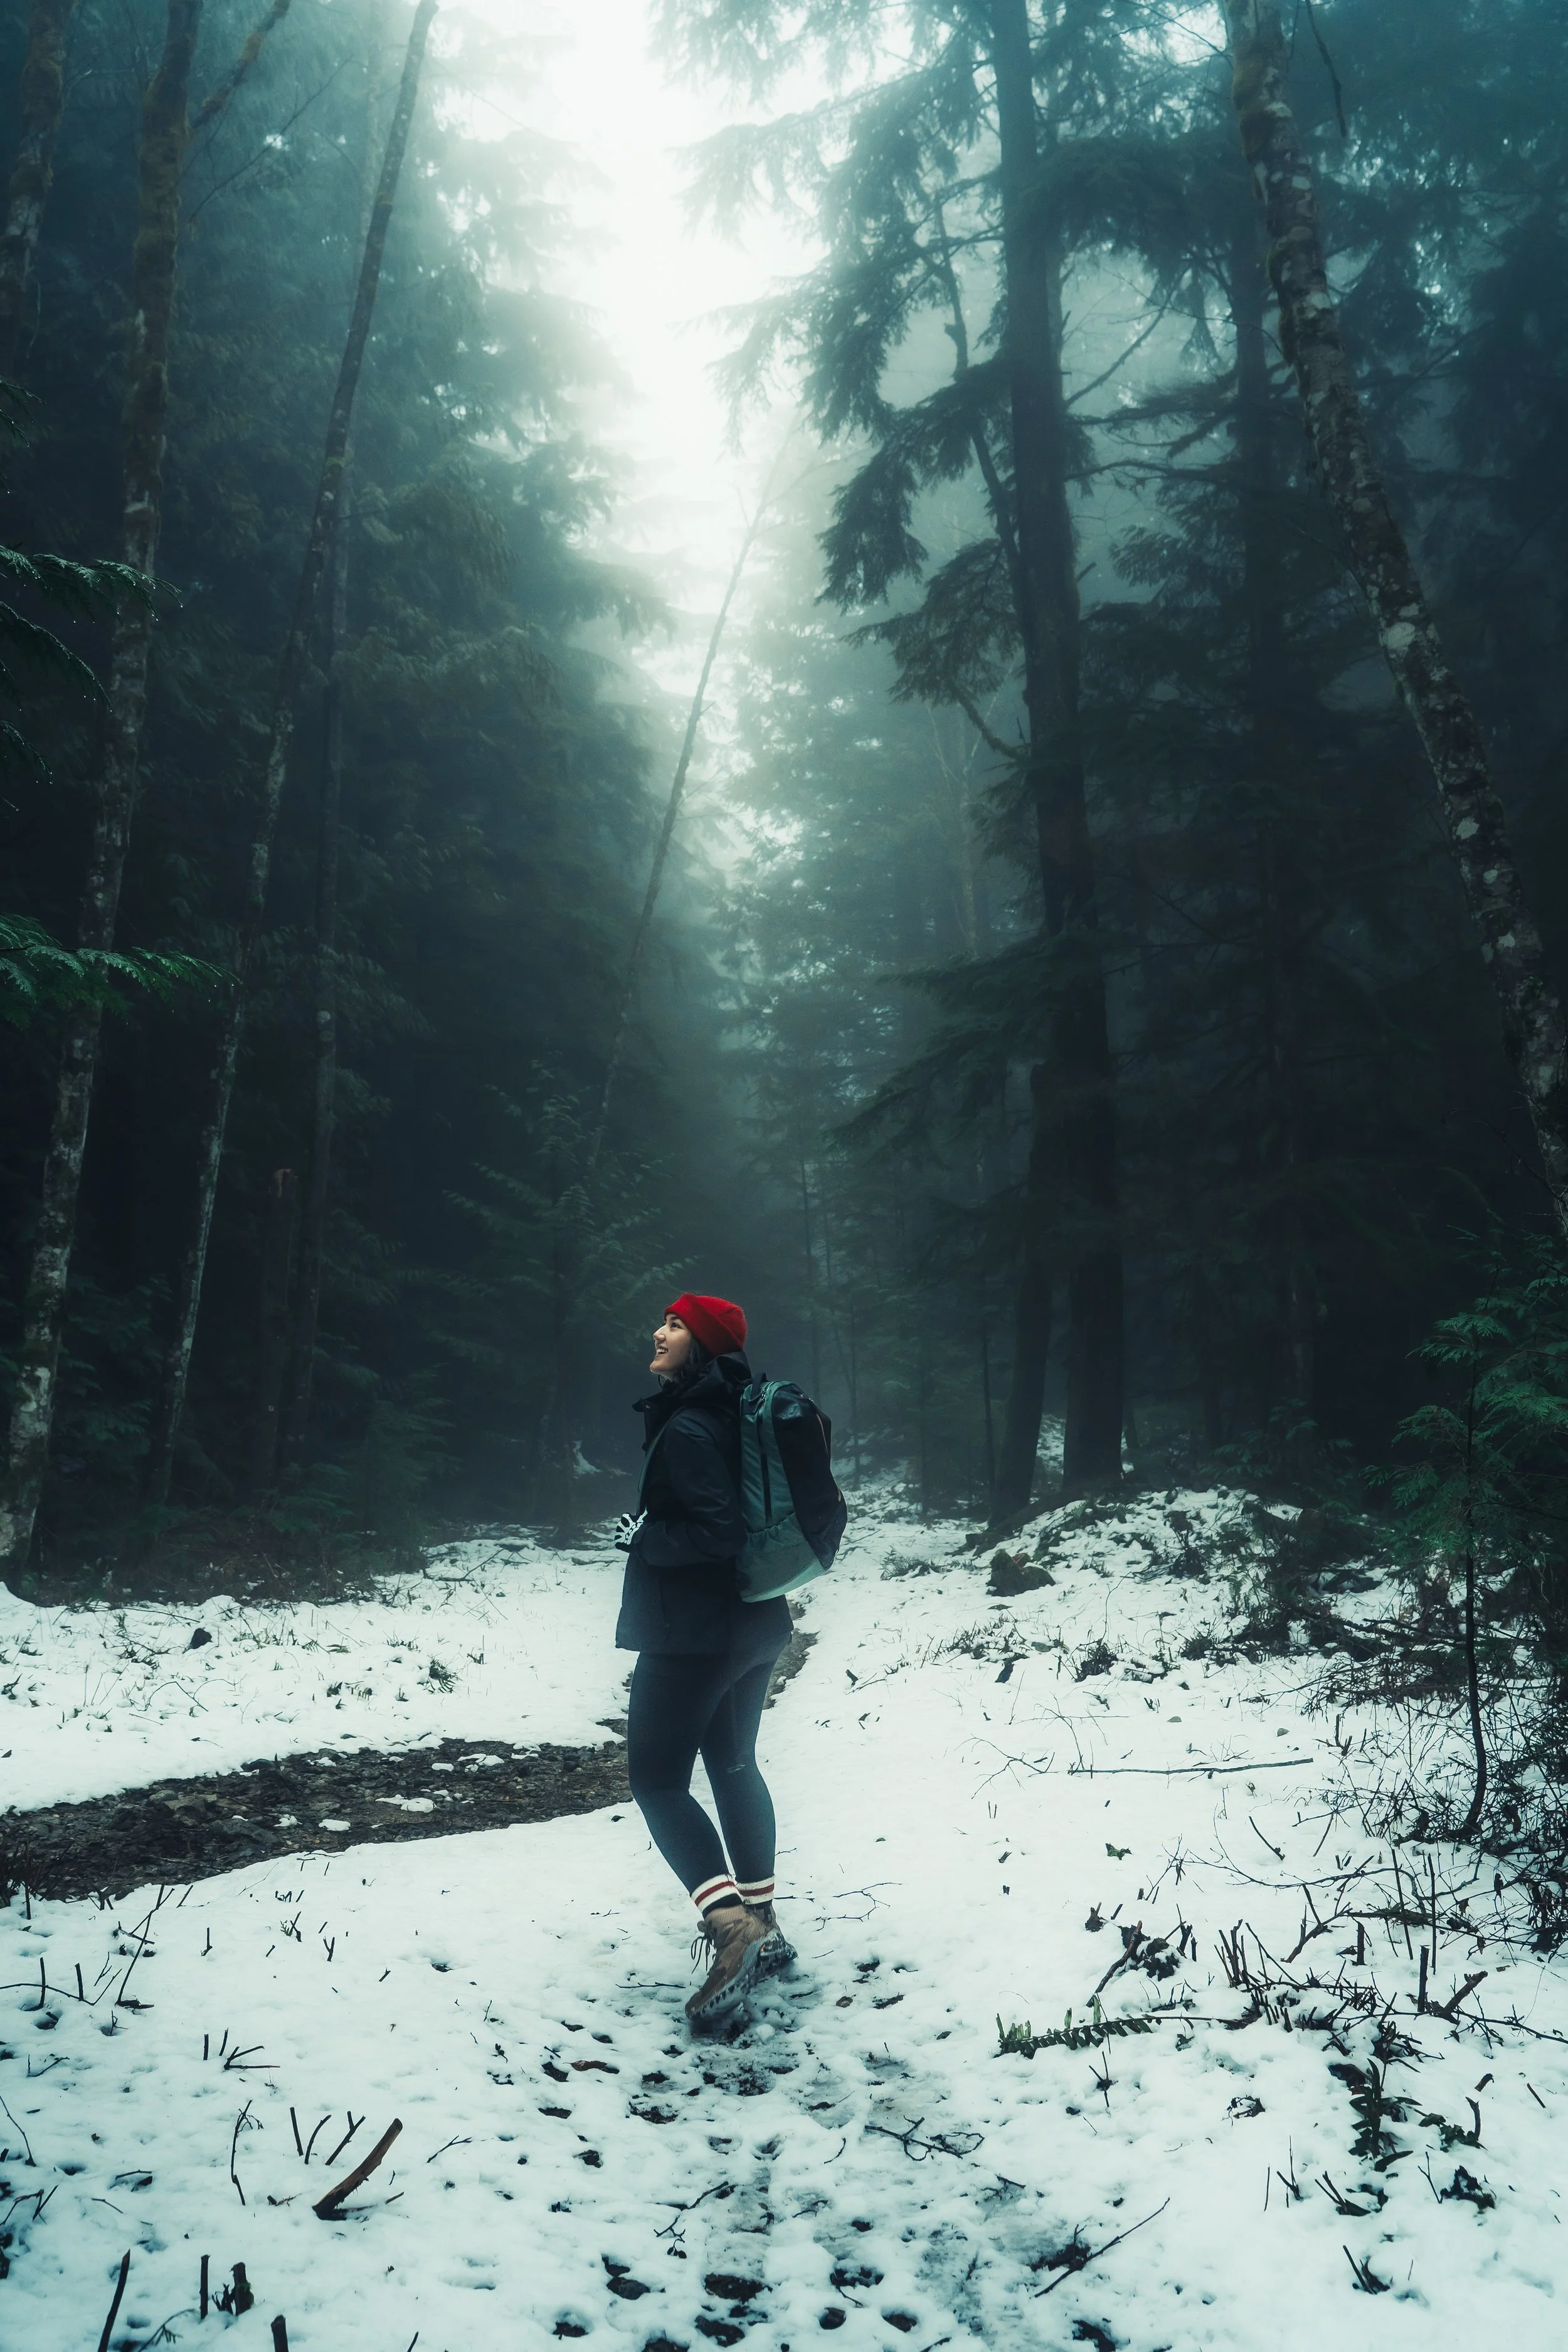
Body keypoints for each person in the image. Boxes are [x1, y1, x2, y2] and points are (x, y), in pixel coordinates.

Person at [615, 1290, 795, 2026]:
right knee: (731, 1764)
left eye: (676, 1325)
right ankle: (766, 1922)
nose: (659, 1332)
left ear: (706, 1345)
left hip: (694, 1634)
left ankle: (731, 1928)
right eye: (663, 1320)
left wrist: (644, 1539)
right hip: (756, 1626)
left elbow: (714, 1534)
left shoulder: (690, 1424)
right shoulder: (731, 1411)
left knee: (656, 1781)